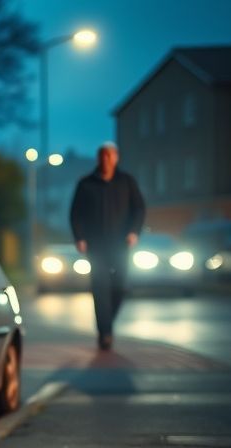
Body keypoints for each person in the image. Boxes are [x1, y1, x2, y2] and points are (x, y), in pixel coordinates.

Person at [70, 143, 146, 350]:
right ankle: (105, 333)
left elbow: (139, 209)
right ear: (98, 158)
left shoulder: (127, 182)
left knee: (120, 286)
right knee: (100, 287)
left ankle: (106, 323)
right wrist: (80, 237)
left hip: (121, 245)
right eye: (102, 156)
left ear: (116, 158)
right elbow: (76, 213)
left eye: (109, 156)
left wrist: (134, 232)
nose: (106, 160)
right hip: (96, 246)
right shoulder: (86, 184)